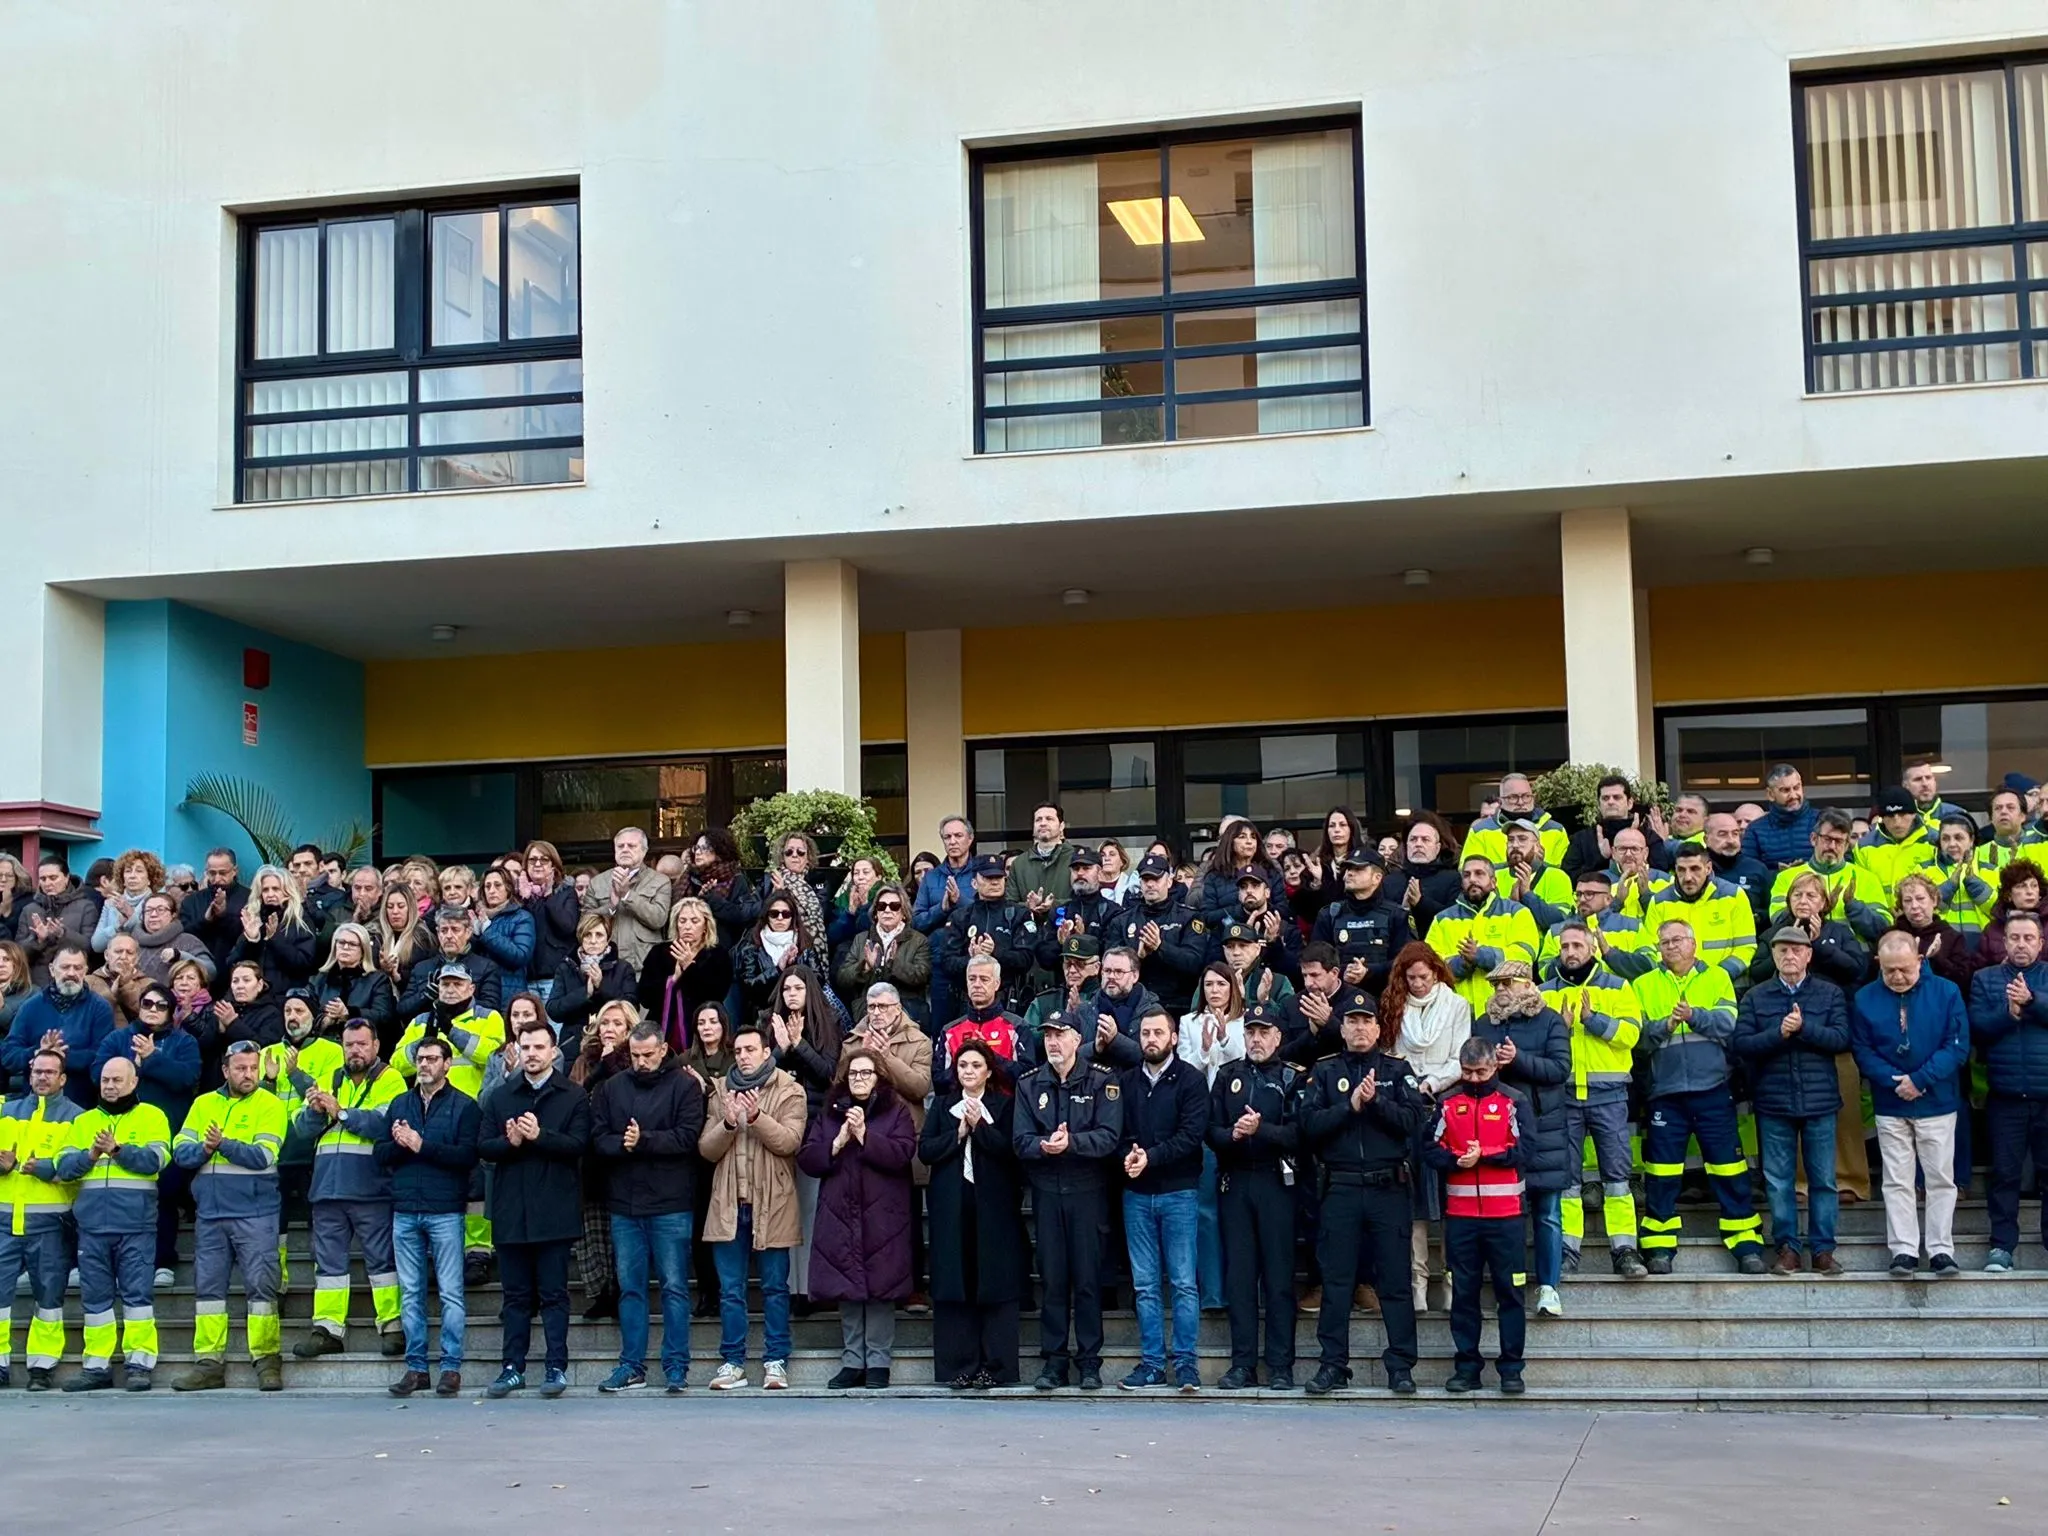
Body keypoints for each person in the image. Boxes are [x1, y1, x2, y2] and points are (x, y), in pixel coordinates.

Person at [1300, 987, 1429, 1395]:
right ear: (1342, 1028)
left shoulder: (1396, 1069)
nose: (1359, 1028)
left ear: (1377, 1027)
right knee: (1336, 1283)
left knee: (1393, 1282)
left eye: (1366, 1021)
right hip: (1340, 1188)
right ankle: (1333, 1365)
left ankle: (1400, 1366)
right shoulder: (1323, 1071)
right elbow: (1308, 1126)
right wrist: (1349, 1106)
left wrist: (1374, 1105)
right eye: (1351, 1021)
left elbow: (1413, 1121)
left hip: (1387, 1187)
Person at [1635, 919, 1766, 1274]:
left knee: (1729, 1167)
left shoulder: (1717, 978)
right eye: (1664, 942)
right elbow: (1638, 1039)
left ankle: (1746, 1245)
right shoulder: (1644, 984)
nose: (1671, 946)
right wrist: (1664, 1026)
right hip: (1666, 1092)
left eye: (1677, 940)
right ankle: (1659, 1248)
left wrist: (1694, 1016)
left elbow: (1728, 1024)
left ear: (1695, 944)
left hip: (1711, 1089)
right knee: (1661, 1173)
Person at [591, 1021, 706, 1394]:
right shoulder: (611, 1088)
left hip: (671, 1203)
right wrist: (623, 1145)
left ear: (663, 1050)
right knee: (631, 1289)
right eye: (635, 1056)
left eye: (648, 1055)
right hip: (625, 1204)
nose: (641, 1062)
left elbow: (689, 1138)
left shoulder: (685, 1086)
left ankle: (676, 1366)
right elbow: (597, 1139)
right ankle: (631, 1365)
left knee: (674, 1287)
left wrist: (644, 1141)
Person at [479, 1016, 591, 1398]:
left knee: (555, 1295)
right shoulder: (501, 1096)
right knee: (515, 1297)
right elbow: (483, 1148)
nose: (531, 1054)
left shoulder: (572, 1095)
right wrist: (508, 1143)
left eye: (539, 1047)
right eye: (525, 1047)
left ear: (553, 1051)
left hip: (554, 1212)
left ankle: (556, 1366)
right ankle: (512, 1367)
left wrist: (540, 1136)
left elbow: (578, 1146)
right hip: (512, 1211)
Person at [1734, 921, 1853, 1275]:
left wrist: (1804, 1029)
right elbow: (1742, 1045)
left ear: (1809, 955)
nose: (1789, 955)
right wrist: (1779, 1034)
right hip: (1773, 1101)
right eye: (1782, 949)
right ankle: (1787, 1248)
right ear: (1772, 955)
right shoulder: (1756, 996)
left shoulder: (1829, 994)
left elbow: (1842, 1039)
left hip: (1819, 1102)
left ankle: (1823, 1250)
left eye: (1796, 950)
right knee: (1778, 1180)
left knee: (1823, 1180)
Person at [169, 1039, 288, 1391]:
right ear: (225, 1070)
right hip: (211, 1213)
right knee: (208, 1291)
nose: (249, 1074)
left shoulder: (271, 1104)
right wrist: (205, 1148)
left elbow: (263, 1156)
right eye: (241, 1068)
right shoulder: (204, 1103)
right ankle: (208, 1363)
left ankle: (267, 1361)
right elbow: (180, 1150)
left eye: (253, 1068)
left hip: (256, 1213)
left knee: (262, 1288)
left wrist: (221, 1145)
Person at [1014, 1009, 1123, 1391]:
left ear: (1078, 1039)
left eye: (1060, 1035)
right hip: (1047, 1193)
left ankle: (1090, 1362)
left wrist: (1072, 1142)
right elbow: (1020, 1140)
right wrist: (1045, 1146)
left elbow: (1110, 1136)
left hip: (1087, 1193)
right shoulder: (1029, 1084)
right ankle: (1054, 1362)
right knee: (1054, 1279)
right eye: (1047, 1036)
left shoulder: (1101, 1081)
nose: (1053, 1042)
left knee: (1088, 1280)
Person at [1852, 932, 1971, 1278]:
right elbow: (1862, 1050)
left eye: (1904, 969)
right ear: (1879, 964)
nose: (1898, 977)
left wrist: (1920, 1080)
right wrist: (1897, 1082)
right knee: (1897, 1179)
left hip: (1937, 1101)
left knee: (1940, 1179)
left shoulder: (1946, 992)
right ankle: (1903, 1249)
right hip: (1891, 1104)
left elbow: (1957, 1046)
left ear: (1920, 960)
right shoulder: (1864, 998)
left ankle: (1940, 1250)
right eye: (1889, 971)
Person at [799, 1044, 917, 1389]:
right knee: (846, 1285)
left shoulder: (896, 1111)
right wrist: (836, 1144)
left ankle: (878, 1362)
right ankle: (853, 1361)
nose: (859, 1079)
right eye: (853, 1073)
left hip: (884, 1214)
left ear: (879, 1077)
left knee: (881, 1288)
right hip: (841, 1212)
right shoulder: (831, 1112)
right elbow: (808, 1157)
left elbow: (903, 1152)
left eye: (866, 1073)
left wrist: (866, 1136)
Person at [701, 1018, 808, 1391]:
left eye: (751, 1050)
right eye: (739, 1051)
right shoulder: (719, 1092)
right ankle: (733, 1362)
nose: (743, 1057)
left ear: (767, 1053)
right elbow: (706, 1149)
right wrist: (728, 1123)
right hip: (730, 1202)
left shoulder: (789, 1090)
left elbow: (789, 1142)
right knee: (730, 1290)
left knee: (776, 1287)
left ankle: (775, 1360)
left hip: (773, 1202)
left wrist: (758, 1117)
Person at [1425, 1037, 1535, 1394]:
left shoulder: (1513, 1101)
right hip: (1461, 1217)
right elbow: (1427, 1148)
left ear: (1495, 1067)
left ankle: (1511, 1369)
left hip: (1507, 1217)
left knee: (1511, 1293)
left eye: (1481, 1071)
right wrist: (1456, 1160)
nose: (1474, 1078)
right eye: (1468, 1072)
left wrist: (1484, 1155)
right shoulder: (1447, 1103)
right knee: (1464, 1294)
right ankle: (1467, 1368)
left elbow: (1526, 1150)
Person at [54, 1054, 171, 1391]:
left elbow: (156, 1161)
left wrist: (117, 1150)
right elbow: (63, 1167)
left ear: (134, 1082)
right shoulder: (83, 1121)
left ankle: (139, 1365)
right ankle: (96, 1367)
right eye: (105, 1079)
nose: (110, 1085)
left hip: (136, 1225)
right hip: (91, 1227)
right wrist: (91, 1155)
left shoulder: (152, 1116)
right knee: (96, 1301)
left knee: (137, 1298)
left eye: (117, 1079)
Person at [293, 1016, 406, 1359]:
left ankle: (392, 1326)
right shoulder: (331, 1077)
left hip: (371, 1186)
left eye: (361, 1044)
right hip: (327, 1187)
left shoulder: (391, 1078)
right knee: (328, 1266)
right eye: (349, 1044)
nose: (354, 1050)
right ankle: (327, 1329)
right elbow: (300, 1128)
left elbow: (386, 1124)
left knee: (382, 1261)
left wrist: (339, 1112)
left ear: (376, 1046)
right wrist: (315, 1111)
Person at [1541, 921, 1648, 1279]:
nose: (1571, 952)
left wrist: (1593, 1020)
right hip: (1565, 1097)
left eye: (1577, 946)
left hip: (1609, 1095)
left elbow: (1632, 1034)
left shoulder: (1619, 986)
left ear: (1592, 949)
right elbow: (1538, 1043)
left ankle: (1625, 1251)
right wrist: (1560, 1026)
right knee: (1568, 1181)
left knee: (1617, 1178)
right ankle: (1568, 1250)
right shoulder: (1544, 993)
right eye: (1565, 946)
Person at [376, 1033, 480, 1398]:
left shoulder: (465, 1106)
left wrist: (421, 1145)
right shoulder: (400, 1103)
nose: (424, 1065)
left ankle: (451, 1367)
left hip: (446, 1210)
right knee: (410, 1293)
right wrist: (402, 1146)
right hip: (405, 1208)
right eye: (420, 1059)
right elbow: (380, 1154)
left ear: (447, 1064)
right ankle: (416, 1367)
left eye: (432, 1059)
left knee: (451, 1292)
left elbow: (467, 1157)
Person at [921, 1038, 1028, 1388]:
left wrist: (980, 1127)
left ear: (988, 1071)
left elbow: (1009, 1150)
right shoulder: (942, 1106)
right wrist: (958, 1132)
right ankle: (959, 1366)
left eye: (975, 1066)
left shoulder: (1004, 1104)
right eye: (963, 1066)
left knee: (994, 1280)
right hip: (952, 1203)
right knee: (956, 1280)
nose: (968, 1071)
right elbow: (927, 1151)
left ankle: (995, 1367)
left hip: (993, 1206)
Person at [1114, 1006, 1209, 1392]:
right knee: (1145, 1285)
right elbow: (1115, 1132)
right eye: (1145, 1033)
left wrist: (1149, 1157)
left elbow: (1191, 1136)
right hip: (1136, 1195)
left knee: (1184, 1283)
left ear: (1173, 1037)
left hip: (1179, 1192)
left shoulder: (1190, 1081)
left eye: (1158, 1033)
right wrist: (1129, 1156)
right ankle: (1152, 1364)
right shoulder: (1125, 1082)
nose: (1151, 1039)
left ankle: (1186, 1364)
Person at [1206, 1000, 1299, 1390]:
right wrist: (1234, 1135)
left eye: (1264, 1032)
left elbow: (1300, 1134)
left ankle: (1280, 1365)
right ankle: (1242, 1363)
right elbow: (1210, 1130)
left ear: (1278, 1037)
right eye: (1251, 1032)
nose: (1256, 1039)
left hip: (1278, 1182)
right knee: (1240, 1278)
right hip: (1237, 1181)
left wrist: (1262, 1130)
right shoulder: (1228, 1075)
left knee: (1278, 1278)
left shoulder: (1293, 1077)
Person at [1470, 960, 1571, 1316]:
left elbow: (1560, 1070)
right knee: (1503, 1217)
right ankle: (1506, 1286)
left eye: (1507, 983)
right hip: (1498, 1129)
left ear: (1528, 985)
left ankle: (1548, 1287)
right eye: (1495, 984)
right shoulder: (1484, 1023)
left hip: (1545, 1129)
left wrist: (1518, 1059)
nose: (1499, 990)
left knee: (1547, 1214)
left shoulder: (1551, 1020)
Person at [1381, 941, 1471, 1312]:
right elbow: (1391, 1052)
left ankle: (1449, 1281)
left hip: (1445, 1101)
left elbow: (1460, 1055)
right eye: (1411, 977)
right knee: (1415, 1201)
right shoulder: (1395, 1005)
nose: (1417, 984)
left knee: (1449, 1201)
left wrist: (1432, 1083)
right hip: (1408, 1104)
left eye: (1423, 976)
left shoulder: (1457, 1005)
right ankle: (1418, 1283)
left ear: (1436, 972)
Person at [93, 981, 201, 1283]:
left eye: (160, 1005)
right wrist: (131, 1068)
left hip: (164, 1130)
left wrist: (153, 1059)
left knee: (164, 1196)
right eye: (147, 1004)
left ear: (171, 1010)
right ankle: (115, 1263)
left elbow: (186, 1078)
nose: (153, 1010)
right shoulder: (118, 1038)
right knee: (119, 1197)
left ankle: (162, 1260)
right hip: (120, 1129)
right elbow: (97, 1074)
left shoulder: (184, 1041)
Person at [1969, 911, 2048, 1272]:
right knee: (2004, 1175)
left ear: (2040, 943)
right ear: (2004, 941)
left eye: (2028, 938)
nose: (2021, 944)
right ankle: (2002, 1247)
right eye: (2014, 938)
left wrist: (2033, 1001)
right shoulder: (1985, 980)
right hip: (2004, 1095)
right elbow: (1978, 1028)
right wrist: (2010, 1012)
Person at [0, 1048, 84, 1389]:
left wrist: (46, 1169)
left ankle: (42, 1366)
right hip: (4, 1219)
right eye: (37, 1071)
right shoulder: (7, 1112)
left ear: (62, 1078)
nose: (42, 1077)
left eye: (50, 1072)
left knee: (48, 1298)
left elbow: (77, 1169)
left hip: (50, 1224)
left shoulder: (77, 1117)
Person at [4, 942, 116, 1108]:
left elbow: (103, 1057)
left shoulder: (100, 1008)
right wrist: (38, 1053)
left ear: (86, 971)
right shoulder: (31, 1007)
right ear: (51, 970)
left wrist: (61, 1057)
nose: (71, 973)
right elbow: (8, 1054)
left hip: (82, 1105)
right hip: (34, 1105)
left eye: (77, 968)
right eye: (65, 967)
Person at [1426, 856, 1540, 1014]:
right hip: (1457, 1013)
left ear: (1493, 882)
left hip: (1508, 1011)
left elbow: (1524, 958)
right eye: (1466, 875)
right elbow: (1430, 965)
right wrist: (1462, 964)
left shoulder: (1517, 912)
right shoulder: (1442, 919)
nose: (1472, 879)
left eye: (1479, 874)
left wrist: (1481, 955)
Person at [681, 1001, 736, 1313]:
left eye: (713, 1021)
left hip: (728, 1147)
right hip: (695, 1152)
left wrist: (707, 1089)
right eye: (701, 1022)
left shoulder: (734, 1058)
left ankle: (729, 1289)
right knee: (701, 1222)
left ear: (723, 1025)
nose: (706, 1027)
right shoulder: (684, 1060)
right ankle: (707, 1291)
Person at [1109, 853, 1207, 1018]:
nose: (1150, 884)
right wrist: (1137, 957)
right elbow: (1110, 964)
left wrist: (1160, 947)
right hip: (1133, 1006)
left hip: (1178, 1005)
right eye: (1146, 880)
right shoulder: (1122, 920)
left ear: (1169, 881)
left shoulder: (1189, 917)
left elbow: (1195, 962)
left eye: (1156, 879)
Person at [1769, 808, 1890, 940]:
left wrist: (1853, 906)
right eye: (1827, 839)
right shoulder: (1786, 877)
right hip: (1805, 955)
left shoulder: (1867, 878)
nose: (1832, 846)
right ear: (1813, 839)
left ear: (1846, 845)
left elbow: (1882, 929)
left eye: (1839, 841)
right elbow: (1778, 921)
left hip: (1854, 957)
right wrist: (1817, 909)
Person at [1646, 844, 1758, 987]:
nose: (1687, 877)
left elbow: (1745, 947)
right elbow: (1652, 950)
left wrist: (1714, 977)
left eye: (1695, 869)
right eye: (1681, 870)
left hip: (1727, 984)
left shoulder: (1734, 895)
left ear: (1708, 868)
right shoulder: (1659, 902)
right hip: (1675, 986)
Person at [1311, 848, 1414, 996]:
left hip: (1385, 998)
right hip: (1340, 1000)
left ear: (1377, 878)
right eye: (1348, 869)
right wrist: (1342, 972)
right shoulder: (1329, 914)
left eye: (1358, 869)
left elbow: (1406, 961)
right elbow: (1316, 961)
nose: (1349, 874)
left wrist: (1369, 971)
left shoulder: (1397, 915)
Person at [637, 896, 736, 1050]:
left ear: (705, 926)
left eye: (694, 921)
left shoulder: (718, 955)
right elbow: (645, 997)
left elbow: (716, 995)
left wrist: (690, 968)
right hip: (662, 1030)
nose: (687, 926)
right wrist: (673, 980)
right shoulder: (659, 953)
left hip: (703, 1032)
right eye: (682, 921)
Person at [940, 853, 1035, 1007]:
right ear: (974, 883)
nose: (995, 882)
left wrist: (995, 952)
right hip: (967, 1002)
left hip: (1007, 1000)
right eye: (988, 878)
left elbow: (1026, 959)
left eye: (998, 877)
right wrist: (973, 959)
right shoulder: (961, 917)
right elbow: (947, 962)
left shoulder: (1019, 914)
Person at [836, 883, 931, 1026]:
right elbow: (842, 978)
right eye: (882, 906)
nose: (887, 910)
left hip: (906, 1015)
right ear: (875, 912)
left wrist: (894, 963)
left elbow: (922, 975)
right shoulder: (861, 939)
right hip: (867, 1016)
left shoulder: (918, 940)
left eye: (894, 906)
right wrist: (865, 967)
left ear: (904, 912)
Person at [581, 827, 672, 975]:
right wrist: (611, 906)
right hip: (604, 968)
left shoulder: (660, 881)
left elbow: (658, 919)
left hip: (644, 968)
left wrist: (627, 895)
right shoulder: (598, 882)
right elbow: (584, 924)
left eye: (631, 846)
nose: (625, 849)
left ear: (644, 851)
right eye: (620, 846)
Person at [735, 892, 831, 1023]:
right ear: (766, 916)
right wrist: (778, 969)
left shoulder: (804, 943)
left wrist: (794, 970)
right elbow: (749, 986)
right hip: (764, 1013)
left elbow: (819, 979)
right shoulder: (752, 946)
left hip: (802, 1013)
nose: (780, 918)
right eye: (774, 914)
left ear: (793, 917)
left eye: (786, 914)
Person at [310, 922, 397, 1055]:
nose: (345, 947)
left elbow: (384, 1016)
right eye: (341, 942)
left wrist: (349, 1014)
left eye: (352, 944)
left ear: (363, 950)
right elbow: (306, 1012)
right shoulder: (319, 979)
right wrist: (325, 1020)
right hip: (323, 1050)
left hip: (362, 1050)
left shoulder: (377, 980)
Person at [547, 912, 637, 1040]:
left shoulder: (623, 968)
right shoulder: (566, 967)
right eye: (588, 935)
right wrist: (585, 993)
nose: (593, 941)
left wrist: (602, 986)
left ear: (608, 939)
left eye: (599, 935)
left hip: (613, 1040)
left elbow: (632, 1006)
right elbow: (553, 1010)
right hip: (573, 1041)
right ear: (580, 938)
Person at [1461, 775, 1569, 877]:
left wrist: (1538, 865)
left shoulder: (1556, 830)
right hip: (1498, 894)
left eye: (1526, 796)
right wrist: (1511, 865)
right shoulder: (1480, 831)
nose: (1521, 802)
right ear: (1500, 800)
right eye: (1513, 797)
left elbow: (1566, 871)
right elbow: (1466, 872)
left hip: (1547, 894)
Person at [471, 865, 536, 997]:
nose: (492, 890)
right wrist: (474, 936)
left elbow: (520, 956)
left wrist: (487, 931)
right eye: (487, 886)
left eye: (497, 885)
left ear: (508, 888)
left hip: (510, 993)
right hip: (481, 992)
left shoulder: (522, 917)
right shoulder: (478, 917)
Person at [1742, 765, 1819, 871]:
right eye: (1785, 790)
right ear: (1770, 794)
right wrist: (1781, 875)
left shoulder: (1821, 820)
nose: (1793, 795)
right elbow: (1749, 872)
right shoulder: (1755, 830)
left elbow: (1842, 859)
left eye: (1797, 788)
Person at [1008, 800, 1078, 912]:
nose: (1043, 823)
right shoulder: (1019, 864)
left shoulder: (1076, 860)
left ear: (1061, 826)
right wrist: (1028, 906)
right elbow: (1009, 905)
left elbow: (1085, 901)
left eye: (1049, 819)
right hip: (1029, 927)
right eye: (1038, 820)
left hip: (1066, 927)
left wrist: (1054, 905)